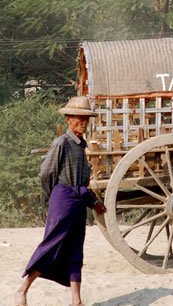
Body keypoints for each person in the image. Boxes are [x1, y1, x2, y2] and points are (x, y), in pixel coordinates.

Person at [15, 96, 107, 306]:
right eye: (78, 118)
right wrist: (55, 196)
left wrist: (93, 202)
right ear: (68, 119)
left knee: (76, 248)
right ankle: (22, 290)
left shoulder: (81, 145)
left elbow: (82, 184)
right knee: (53, 244)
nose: (83, 122)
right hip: (63, 200)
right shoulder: (62, 142)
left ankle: (76, 300)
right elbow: (45, 173)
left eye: (86, 119)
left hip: (77, 203)